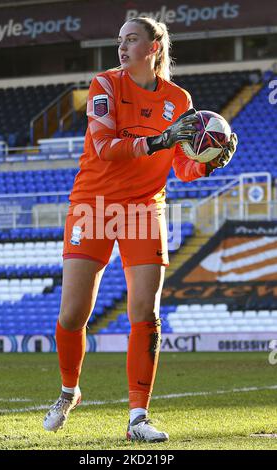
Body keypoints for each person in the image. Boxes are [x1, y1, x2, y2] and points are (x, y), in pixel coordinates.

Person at [43, 17, 237, 442]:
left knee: (145, 313)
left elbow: (181, 165)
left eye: (132, 39)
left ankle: (137, 417)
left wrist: (204, 162)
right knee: (72, 314)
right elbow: (103, 146)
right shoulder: (105, 85)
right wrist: (157, 141)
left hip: (144, 209)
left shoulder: (178, 98)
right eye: (119, 40)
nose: (122, 47)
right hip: (92, 205)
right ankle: (68, 390)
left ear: (154, 47)